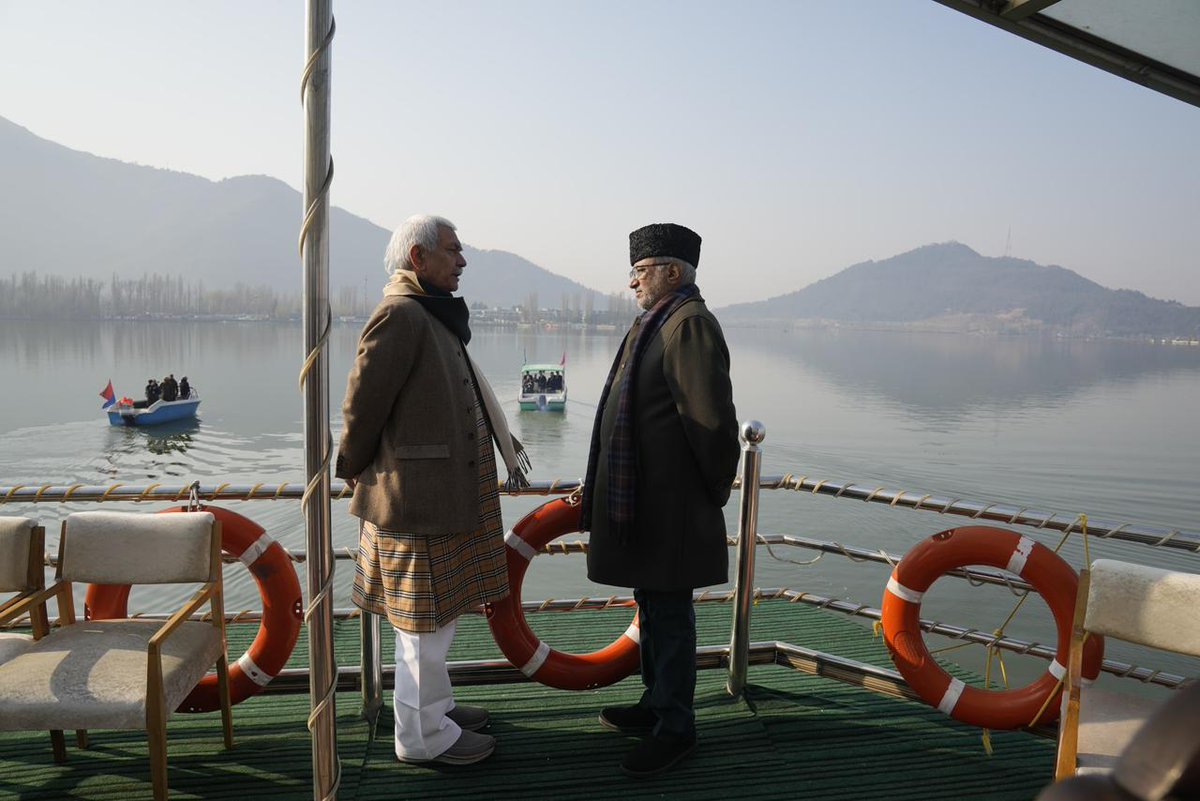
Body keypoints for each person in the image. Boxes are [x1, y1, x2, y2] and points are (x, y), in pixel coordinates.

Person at [335, 214, 530, 766]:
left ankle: (435, 710)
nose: (463, 260)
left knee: (436, 624)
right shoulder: (400, 316)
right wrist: (350, 464)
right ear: (418, 259)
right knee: (422, 629)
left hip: (440, 497)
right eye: (452, 250)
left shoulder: (431, 313)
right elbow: (362, 406)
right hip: (415, 502)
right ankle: (421, 739)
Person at [580, 222, 739, 778]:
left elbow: (712, 424)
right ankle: (655, 704)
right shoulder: (659, 322)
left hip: (673, 508)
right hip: (650, 506)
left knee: (670, 613)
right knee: (654, 606)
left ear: (673, 272)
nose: (632, 283)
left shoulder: (688, 326)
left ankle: (677, 727)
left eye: (640, 272)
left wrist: (710, 493)